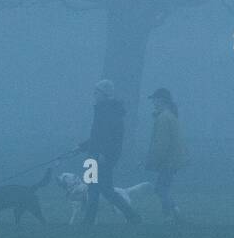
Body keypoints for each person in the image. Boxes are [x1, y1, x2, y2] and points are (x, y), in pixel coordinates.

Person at [78, 79, 140, 224]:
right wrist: (82, 146)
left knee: (105, 189)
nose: (94, 94)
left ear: (104, 94)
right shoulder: (102, 109)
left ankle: (132, 216)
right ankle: (89, 220)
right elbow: (97, 136)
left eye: (96, 92)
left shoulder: (108, 111)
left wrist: (103, 153)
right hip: (94, 155)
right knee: (94, 187)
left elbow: (110, 137)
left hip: (101, 157)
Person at [145, 88, 188, 221]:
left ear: (162, 100)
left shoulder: (163, 118)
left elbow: (161, 144)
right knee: (163, 187)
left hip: (168, 160)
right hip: (173, 159)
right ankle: (170, 213)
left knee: (160, 188)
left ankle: (171, 212)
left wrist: (152, 161)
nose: (153, 102)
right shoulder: (171, 116)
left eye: (155, 99)